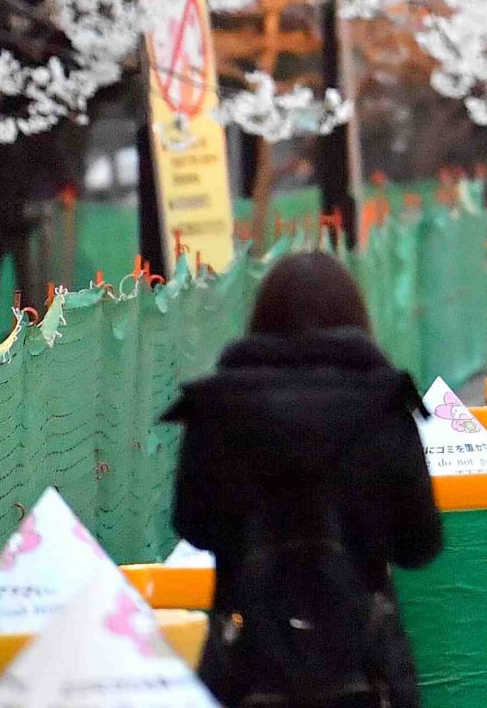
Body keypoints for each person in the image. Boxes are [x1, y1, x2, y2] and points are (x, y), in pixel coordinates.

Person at [165, 252, 442, 708]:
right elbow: (420, 545)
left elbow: (191, 525)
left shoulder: (217, 411)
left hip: (249, 663)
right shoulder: (382, 405)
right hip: (359, 667)